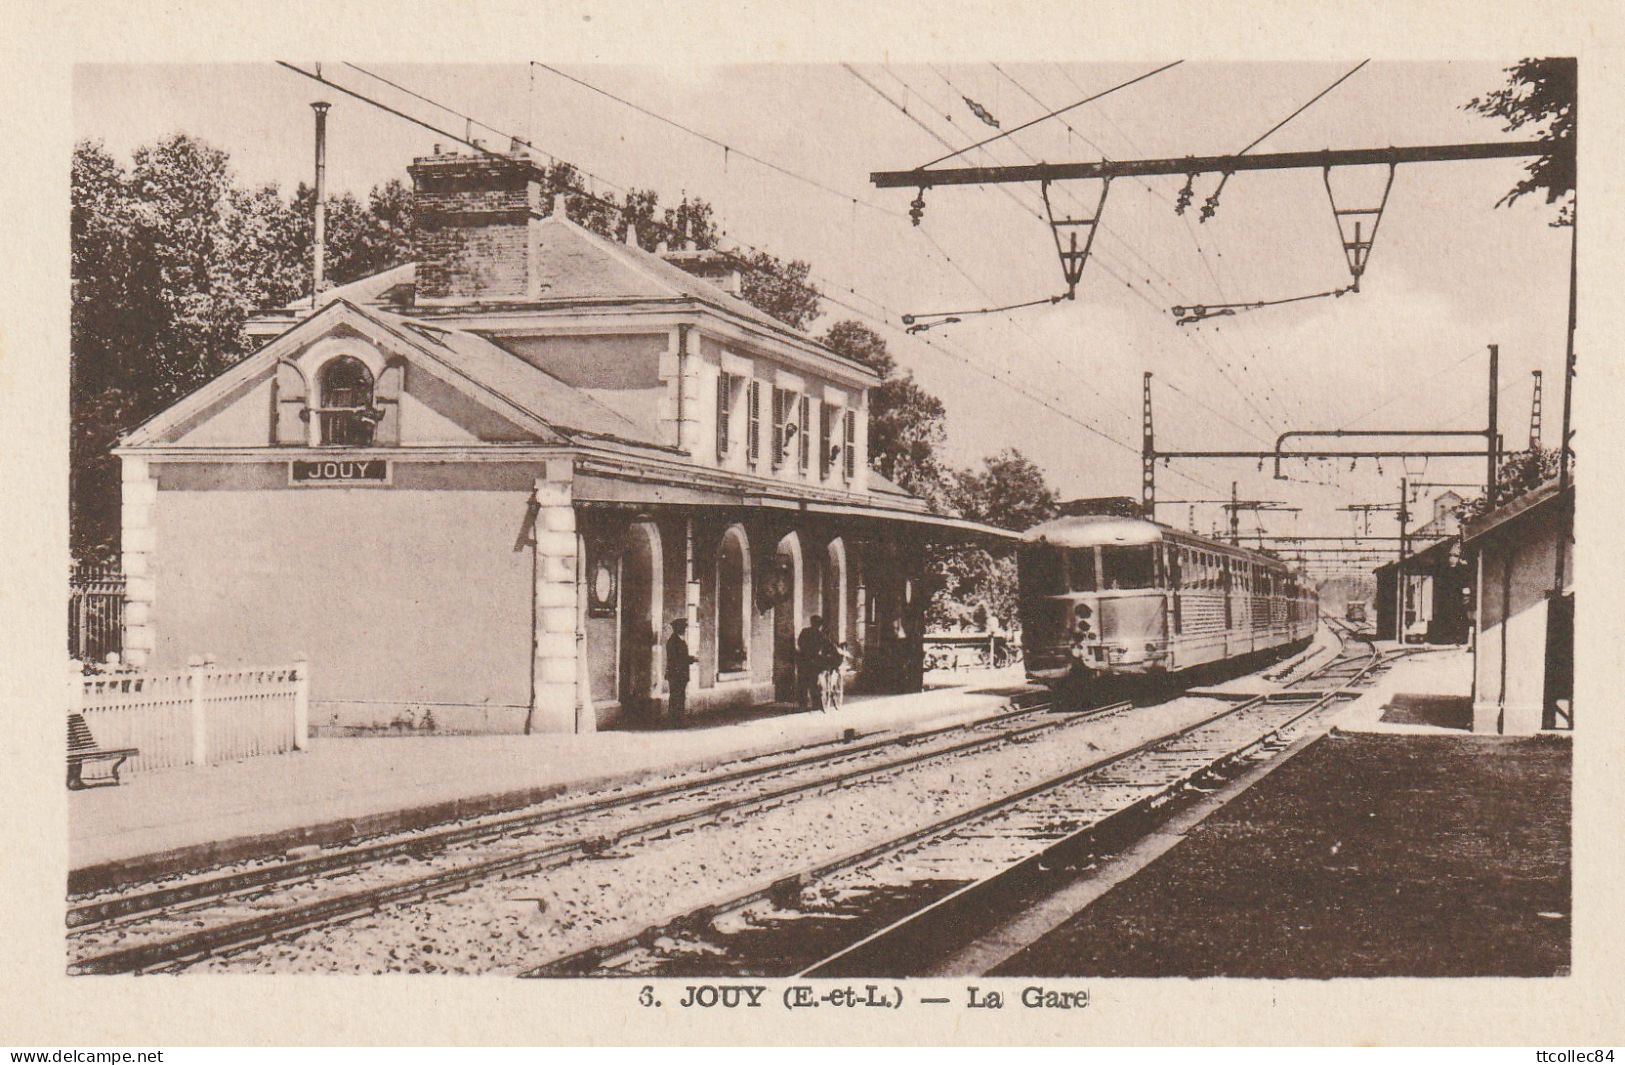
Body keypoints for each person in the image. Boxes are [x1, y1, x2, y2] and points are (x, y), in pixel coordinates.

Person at [664, 618, 697, 727]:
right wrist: (691, 659)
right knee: (676, 697)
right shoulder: (674, 642)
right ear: (677, 628)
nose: (685, 630)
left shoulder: (678, 640)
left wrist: (690, 659)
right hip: (676, 674)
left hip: (679, 674)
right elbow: (677, 659)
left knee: (678, 697)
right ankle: (676, 721)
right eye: (683, 628)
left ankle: (677, 720)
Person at [797, 615, 833, 712]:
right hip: (814, 661)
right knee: (814, 683)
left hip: (803, 660)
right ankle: (816, 704)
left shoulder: (805, 631)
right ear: (820, 624)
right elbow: (826, 647)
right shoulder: (820, 634)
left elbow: (799, 643)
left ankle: (802, 705)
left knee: (803, 683)